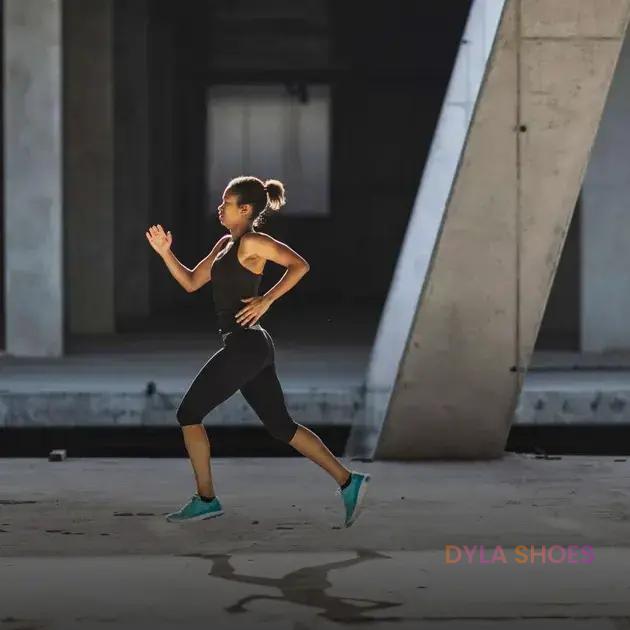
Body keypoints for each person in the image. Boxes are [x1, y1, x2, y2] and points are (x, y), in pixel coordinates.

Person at [145, 175, 370, 527]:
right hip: (250, 346)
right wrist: (165, 253)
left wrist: (267, 299)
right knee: (282, 427)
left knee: (188, 414)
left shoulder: (252, 242)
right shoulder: (224, 245)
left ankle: (206, 499)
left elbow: (300, 265)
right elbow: (190, 282)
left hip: (246, 346)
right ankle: (348, 481)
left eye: (226, 203)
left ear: (245, 209)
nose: (220, 208)